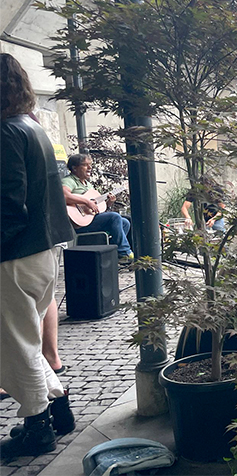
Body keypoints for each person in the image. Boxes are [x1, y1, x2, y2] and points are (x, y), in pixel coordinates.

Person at [1, 53, 76, 460]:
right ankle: (58, 411)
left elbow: (8, 204)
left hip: (14, 254)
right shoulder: (32, 126)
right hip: (44, 249)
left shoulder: (6, 133)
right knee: (25, 340)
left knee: (16, 344)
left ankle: (38, 430)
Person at [62, 153, 133, 263]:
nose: (90, 167)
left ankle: (114, 254)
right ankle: (124, 253)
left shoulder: (88, 185)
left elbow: (96, 208)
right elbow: (64, 196)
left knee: (125, 222)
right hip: (79, 223)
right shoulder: (69, 181)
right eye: (85, 165)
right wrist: (86, 201)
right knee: (114, 217)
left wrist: (109, 202)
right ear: (74, 168)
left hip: (90, 218)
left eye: (90, 164)